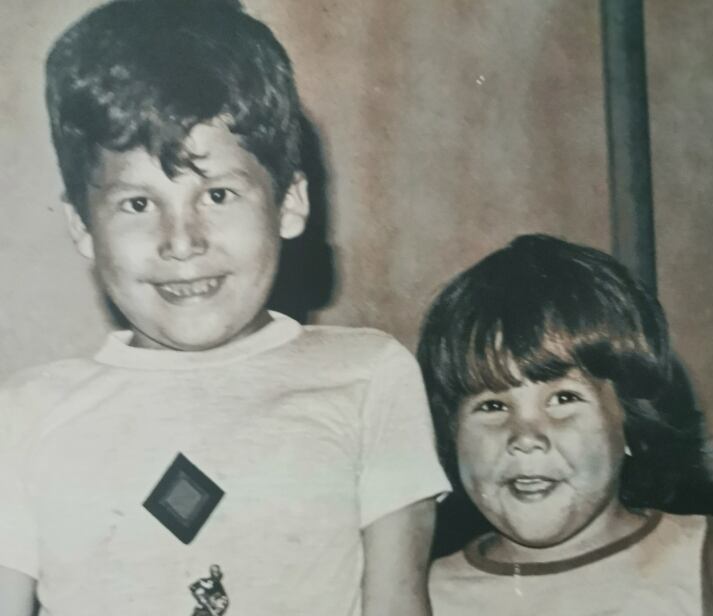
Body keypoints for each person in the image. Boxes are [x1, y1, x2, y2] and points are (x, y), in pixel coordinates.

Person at [0, 1, 449, 614]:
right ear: (81, 226)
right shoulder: (25, 417)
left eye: (217, 194)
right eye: (137, 203)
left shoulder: (370, 376)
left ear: (290, 204)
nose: (181, 241)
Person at [417, 234, 713, 615]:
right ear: (451, 434)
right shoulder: (423, 596)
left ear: (630, 418)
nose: (525, 438)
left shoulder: (708, 561)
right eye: (492, 406)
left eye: (564, 399)